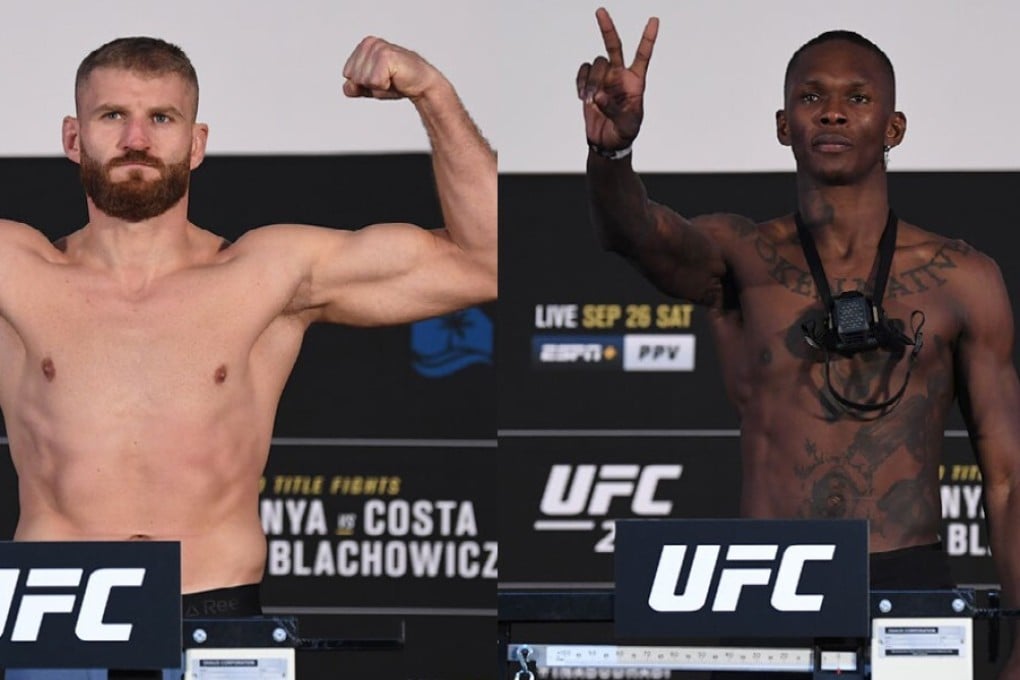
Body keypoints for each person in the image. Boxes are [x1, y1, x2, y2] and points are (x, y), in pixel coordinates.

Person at [1, 33, 495, 679]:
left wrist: (434, 92)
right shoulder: (17, 271)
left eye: (162, 118)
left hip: (217, 611)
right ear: (74, 137)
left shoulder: (267, 273)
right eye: (112, 115)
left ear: (196, 143)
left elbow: (486, 261)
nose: (137, 139)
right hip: (54, 615)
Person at [577, 7, 1020, 678]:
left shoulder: (964, 280)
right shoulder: (738, 255)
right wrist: (612, 152)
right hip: (768, 581)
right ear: (784, 126)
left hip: (909, 579)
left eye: (857, 98)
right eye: (811, 97)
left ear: (893, 127)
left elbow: (1009, 480)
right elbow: (634, 233)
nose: (833, 113)